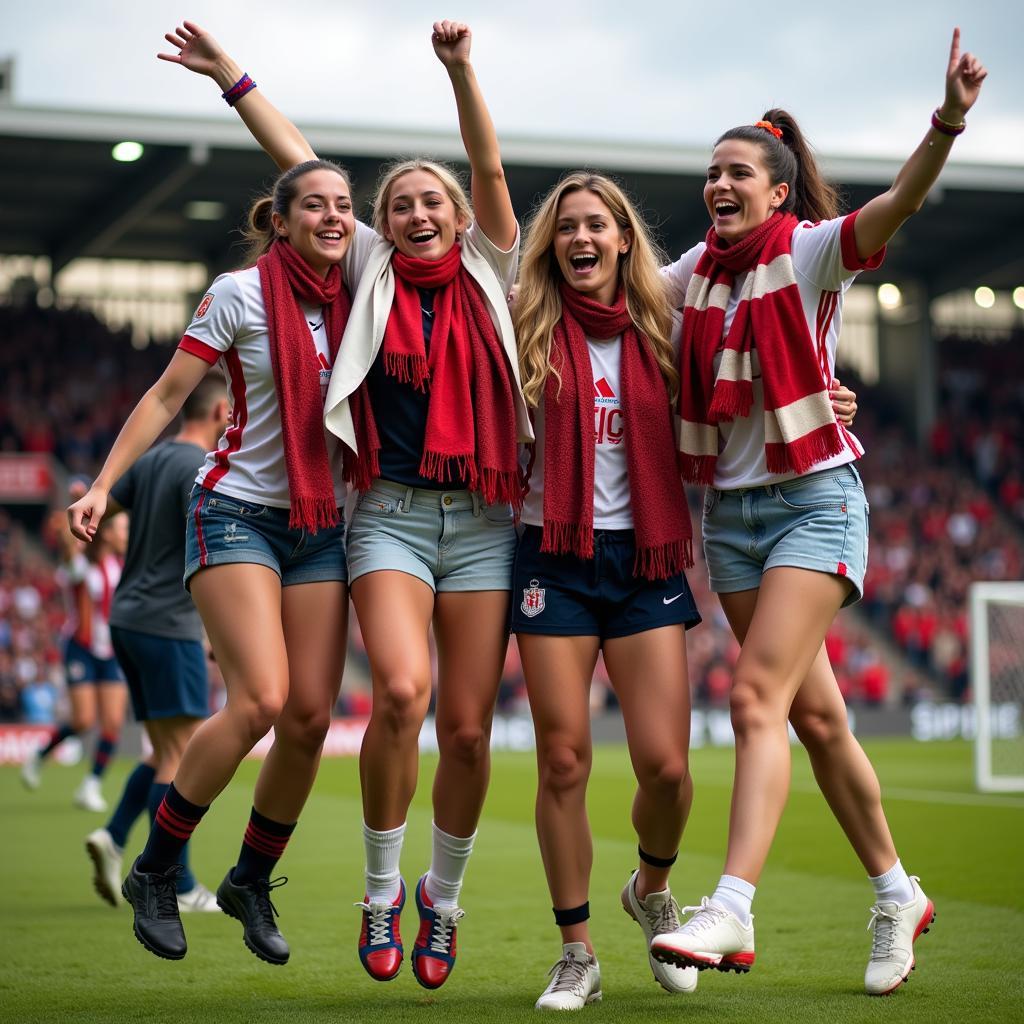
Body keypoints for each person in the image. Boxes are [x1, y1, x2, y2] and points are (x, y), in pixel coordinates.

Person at [156, 19, 531, 988]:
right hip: (391, 516)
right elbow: (301, 163)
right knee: (401, 693)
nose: (413, 212)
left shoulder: (491, 264)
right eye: (397, 203)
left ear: (456, 216)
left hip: (485, 521)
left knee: (467, 730)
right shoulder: (364, 265)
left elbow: (488, 166)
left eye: (429, 201)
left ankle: (439, 905)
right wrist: (231, 77)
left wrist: (460, 70)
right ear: (384, 221)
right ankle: (379, 890)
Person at [650, 29, 986, 997]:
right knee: (818, 720)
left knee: (753, 699)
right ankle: (895, 892)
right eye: (710, 173)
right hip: (733, 518)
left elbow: (899, 201)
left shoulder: (807, 254)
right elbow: (610, 295)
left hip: (813, 502)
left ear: (777, 192)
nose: (718, 185)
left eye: (737, 173)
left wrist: (949, 119)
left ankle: (730, 905)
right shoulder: (690, 277)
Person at [69, 152, 356, 964]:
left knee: (309, 719)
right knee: (262, 699)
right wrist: (100, 485)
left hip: (323, 523)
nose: (334, 217)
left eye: (344, 205)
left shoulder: (369, 293)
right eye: (315, 206)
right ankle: (157, 871)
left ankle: (249, 881)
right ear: (281, 219)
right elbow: (167, 394)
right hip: (235, 514)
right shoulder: (237, 294)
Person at [511, 172, 701, 1010]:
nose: (581, 239)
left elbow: (774, 326)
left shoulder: (669, 321)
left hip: (645, 561)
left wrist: (831, 395)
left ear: (625, 239)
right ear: (549, 245)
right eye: (566, 228)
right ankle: (576, 950)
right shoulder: (520, 325)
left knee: (665, 769)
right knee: (563, 759)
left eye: (597, 225)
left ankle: (651, 888)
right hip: (551, 556)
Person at [84, 373, 229, 915]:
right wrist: (216, 634)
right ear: (219, 411)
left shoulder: (148, 461)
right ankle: (180, 882)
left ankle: (115, 836)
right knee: (185, 754)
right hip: (169, 623)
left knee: (163, 748)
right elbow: (206, 556)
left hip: (126, 618)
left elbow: (103, 520)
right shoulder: (200, 471)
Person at [22, 502, 129, 814]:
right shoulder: (81, 565)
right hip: (81, 647)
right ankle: (40, 755)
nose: (126, 534)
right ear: (106, 533)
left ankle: (91, 785)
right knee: (83, 720)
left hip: (111, 651)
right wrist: (74, 514)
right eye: (122, 528)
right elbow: (69, 551)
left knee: (112, 722)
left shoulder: (122, 565)